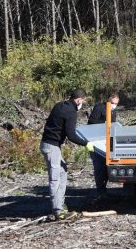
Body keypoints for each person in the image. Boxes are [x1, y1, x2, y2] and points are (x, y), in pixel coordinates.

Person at [41, 88, 95, 221]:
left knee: (63, 171)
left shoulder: (59, 105)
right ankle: (58, 211)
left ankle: (60, 204)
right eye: (82, 101)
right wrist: (86, 143)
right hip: (51, 146)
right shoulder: (71, 112)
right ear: (78, 100)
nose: (82, 104)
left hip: (49, 144)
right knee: (55, 178)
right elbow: (71, 135)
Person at [87, 91, 120, 203]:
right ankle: (100, 191)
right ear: (108, 101)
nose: (114, 105)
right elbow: (91, 123)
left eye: (116, 103)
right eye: (112, 102)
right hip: (97, 141)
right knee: (99, 167)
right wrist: (104, 125)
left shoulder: (113, 111)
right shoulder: (99, 108)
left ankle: (104, 190)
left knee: (107, 166)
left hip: (108, 142)